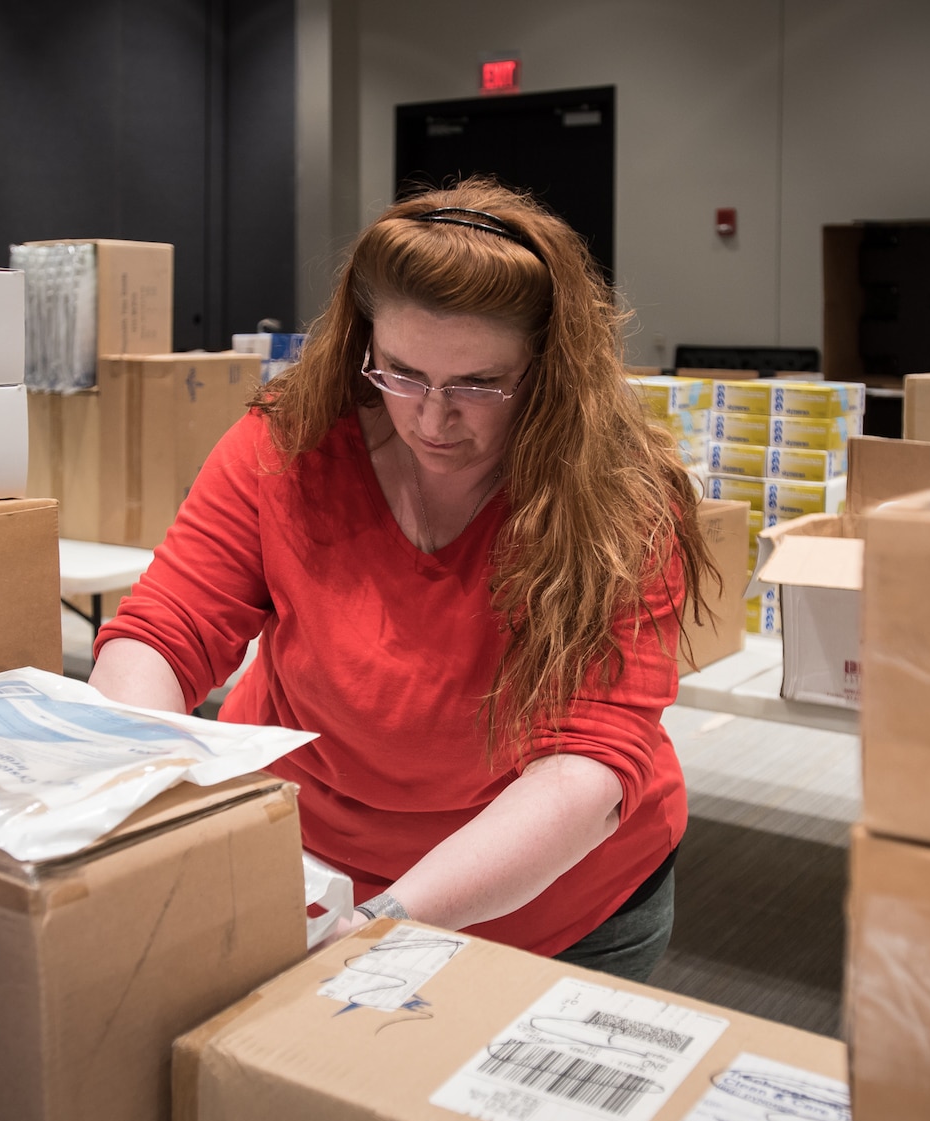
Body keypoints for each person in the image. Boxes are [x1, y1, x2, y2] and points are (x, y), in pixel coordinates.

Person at [89, 179, 713, 981]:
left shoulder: (621, 497)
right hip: (306, 865)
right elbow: (167, 627)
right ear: (363, 345)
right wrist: (135, 796)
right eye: (401, 372)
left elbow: (587, 768)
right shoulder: (293, 441)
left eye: (479, 386)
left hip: (557, 902)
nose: (431, 418)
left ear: (551, 369)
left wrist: (383, 925)